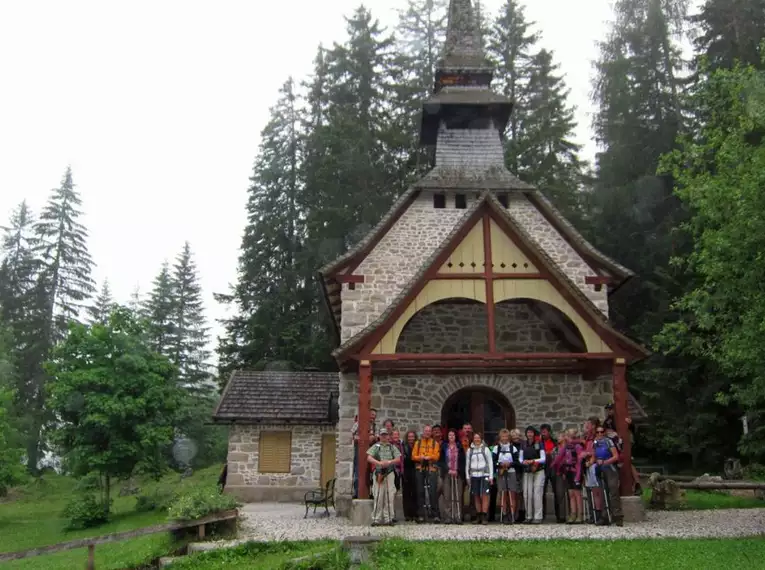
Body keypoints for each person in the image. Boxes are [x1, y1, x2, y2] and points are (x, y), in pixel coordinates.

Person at [367, 428, 401, 526]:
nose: (384, 436)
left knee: (389, 495)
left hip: (389, 472)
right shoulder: (376, 446)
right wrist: (379, 463)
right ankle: (376, 519)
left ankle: (389, 518)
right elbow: (368, 457)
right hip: (379, 472)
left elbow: (398, 459)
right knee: (378, 495)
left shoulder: (392, 447)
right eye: (382, 435)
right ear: (379, 436)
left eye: (385, 435)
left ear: (388, 436)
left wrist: (389, 462)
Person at [591, 426, 623, 526]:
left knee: (613, 492)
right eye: (598, 432)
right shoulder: (595, 443)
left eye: (602, 432)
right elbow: (595, 456)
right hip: (600, 470)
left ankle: (618, 517)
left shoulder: (608, 441)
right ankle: (605, 516)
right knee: (603, 492)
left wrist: (605, 462)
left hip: (610, 469)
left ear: (604, 432)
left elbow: (615, 456)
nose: (600, 434)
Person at [412, 424, 440, 523]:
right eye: (426, 431)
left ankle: (435, 515)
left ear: (431, 432)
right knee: (420, 492)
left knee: (432, 492)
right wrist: (421, 458)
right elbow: (413, 456)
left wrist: (429, 457)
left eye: (429, 431)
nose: (427, 433)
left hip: (431, 469)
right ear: (423, 432)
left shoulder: (435, 443)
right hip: (420, 468)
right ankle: (421, 515)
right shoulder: (418, 443)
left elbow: (437, 456)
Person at [520, 426, 546, 524]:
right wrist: (524, 462)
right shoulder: (524, 444)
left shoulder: (539, 444)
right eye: (528, 432)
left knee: (537, 493)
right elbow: (520, 458)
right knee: (527, 494)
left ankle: (538, 516)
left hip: (538, 470)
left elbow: (543, 459)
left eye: (531, 432)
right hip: (527, 471)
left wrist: (533, 461)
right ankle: (528, 516)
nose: (529, 434)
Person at [466, 432, 493, 525]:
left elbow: (490, 463)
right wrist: (467, 476)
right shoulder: (470, 450)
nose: (477, 439)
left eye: (478, 438)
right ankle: (478, 515)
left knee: (485, 495)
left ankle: (484, 515)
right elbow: (467, 464)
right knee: (476, 495)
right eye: (475, 438)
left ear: (481, 439)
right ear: (473, 439)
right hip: (474, 475)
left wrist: (491, 476)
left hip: (484, 474)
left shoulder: (486, 449)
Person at [492, 428, 518, 524]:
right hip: (501, 472)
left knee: (512, 493)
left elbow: (516, 461)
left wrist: (509, 464)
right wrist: (500, 464)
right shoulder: (496, 448)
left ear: (509, 437)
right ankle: (504, 514)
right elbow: (493, 461)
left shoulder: (513, 448)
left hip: (511, 471)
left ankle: (512, 514)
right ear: (500, 437)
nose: (504, 438)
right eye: (503, 436)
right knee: (503, 493)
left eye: (506, 436)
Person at [441, 429, 465, 524]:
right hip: (447, 473)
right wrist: (448, 470)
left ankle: (457, 515)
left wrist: (457, 470)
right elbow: (441, 461)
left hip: (457, 473)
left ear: (455, 437)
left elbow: (463, 460)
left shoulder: (459, 447)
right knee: (447, 495)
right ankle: (448, 516)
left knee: (457, 494)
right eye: (449, 435)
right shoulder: (444, 447)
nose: (451, 437)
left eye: (453, 435)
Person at [549, 433, 568, 523]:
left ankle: (570, 514)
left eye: (560, 436)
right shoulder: (555, 449)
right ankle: (560, 515)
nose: (558, 438)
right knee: (559, 494)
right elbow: (554, 461)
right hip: (557, 473)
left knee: (569, 494)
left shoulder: (568, 448)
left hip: (569, 472)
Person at [539, 424, 557, 520]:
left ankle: (559, 515)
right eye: (542, 432)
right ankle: (542, 514)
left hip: (553, 466)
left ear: (549, 432)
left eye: (545, 432)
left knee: (556, 490)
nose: (543, 434)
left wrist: (550, 453)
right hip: (543, 467)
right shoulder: (539, 442)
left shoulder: (555, 442)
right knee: (542, 491)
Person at [401, 430, 419, 522]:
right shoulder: (403, 447)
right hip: (406, 471)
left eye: (412, 436)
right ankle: (407, 514)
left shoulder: (418, 446)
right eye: (409, 437)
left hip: (415, 471)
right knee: (406, 493)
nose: (411, 438)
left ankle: (415, 514)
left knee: (415, 493)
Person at [509, 428, 525, 522]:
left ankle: (522, 513)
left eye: (517, 435)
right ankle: (513, 514)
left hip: (522, 471)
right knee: (514, 494)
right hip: (513, 472)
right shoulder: (510, 446)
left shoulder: (523, 445)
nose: (516, 437)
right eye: (514, 436)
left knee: (522, 494)